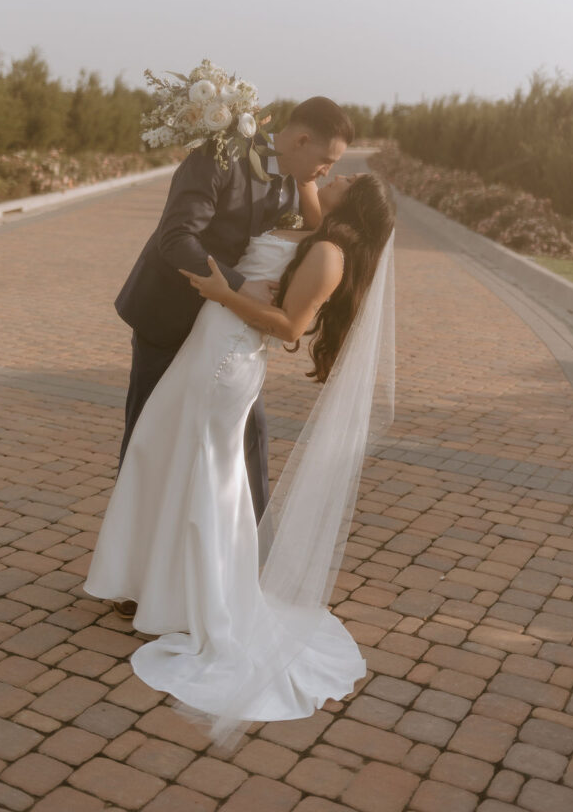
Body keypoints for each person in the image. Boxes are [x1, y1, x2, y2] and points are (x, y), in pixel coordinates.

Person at [84, 170, 396, 752]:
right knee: (162, 452)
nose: (338, 172)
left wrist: (226, 294)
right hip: (210, 345)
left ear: (353, 204)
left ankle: (191, 598)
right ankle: (155, 584)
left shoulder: (328, 253)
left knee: (205, 478)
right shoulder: (318, 227)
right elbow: (304, 179)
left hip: (226, 358)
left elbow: (291, 327)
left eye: (346, 176)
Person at [110, 96, 353, 617]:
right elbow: (176, 239)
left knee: (250, 439)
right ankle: (136, 576)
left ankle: (243, 569)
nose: (326, 172)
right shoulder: (217, 157)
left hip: (225, 335)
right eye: (326, 161)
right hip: (169, 318)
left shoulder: (294, 179)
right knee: (149, 438)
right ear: (301, 140)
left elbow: (317, 232)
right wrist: (240, 285)